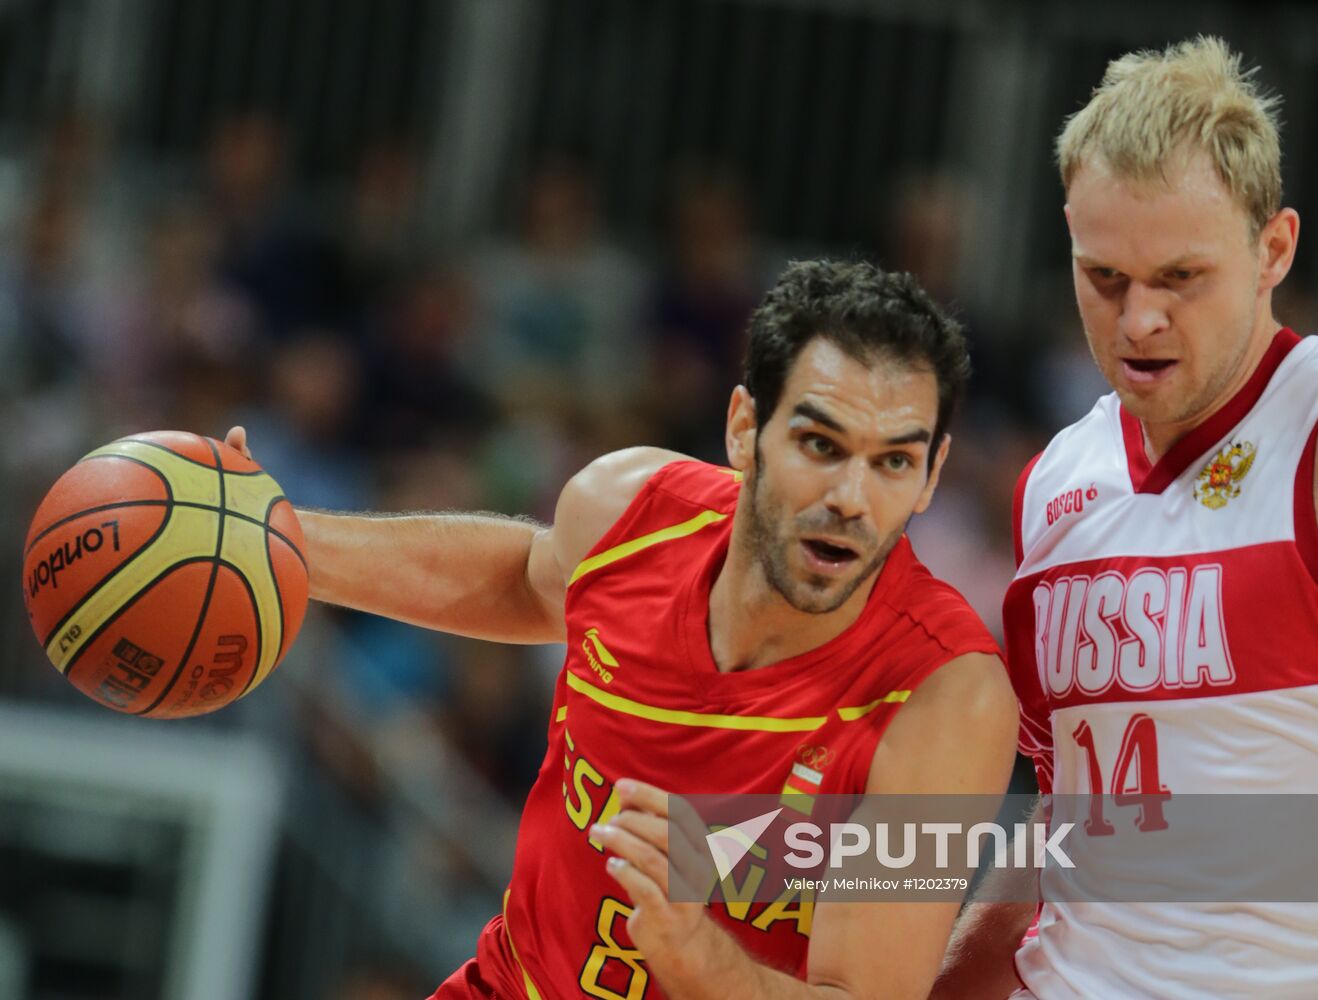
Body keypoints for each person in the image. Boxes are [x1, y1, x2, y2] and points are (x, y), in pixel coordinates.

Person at [228, 259, 1018, 998]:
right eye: (821, 444)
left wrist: (708, 965)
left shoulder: (946, 700)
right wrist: (283, 541)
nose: (852, 496)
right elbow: (525, 579)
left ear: (933, 474)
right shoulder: (630, 512)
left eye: (893, 463)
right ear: (745, 429)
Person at [932, 36, 1318, 999]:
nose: (1139, 319)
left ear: (1273, 249)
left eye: (1180, 278)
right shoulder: (1056, 481)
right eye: (1105, 278)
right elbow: (1068, 818)